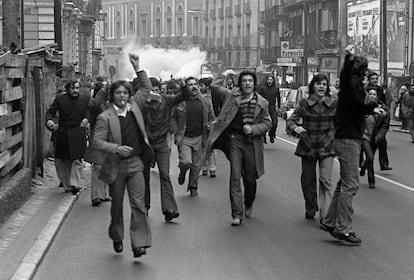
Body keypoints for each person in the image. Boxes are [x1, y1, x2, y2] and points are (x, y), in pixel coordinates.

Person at [320, 46, 385, 245]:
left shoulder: (355, 89)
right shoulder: (351, 85)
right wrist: (349, 59)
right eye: (364, 71)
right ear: (360, 72)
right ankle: (343, 229)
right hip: (348, 139)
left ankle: (330, 221)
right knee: (352, 184)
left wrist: (373, 108)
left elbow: (358, 106)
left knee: (343, 184)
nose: (366, 76)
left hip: (348, 137)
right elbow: (347, 76)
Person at [93, 80, 153, 258]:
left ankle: (139, 243)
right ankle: (117, 235)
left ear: (129, 95)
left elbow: (146, 87)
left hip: (135, 164)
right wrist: (116, 149)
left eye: (125, 93)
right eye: (118, 93)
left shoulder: (135, 107)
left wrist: (137, 67)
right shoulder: (105, 117)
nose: (122, 96)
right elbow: (97, 142)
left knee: (139, 205)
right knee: (117, 206)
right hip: (115, 166)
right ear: (112, 96)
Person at [129, 54, 192, 220]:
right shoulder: (141, 103)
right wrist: (138, 67)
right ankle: (145, 207)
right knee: (144, 176)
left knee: (164, 174)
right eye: (152, 91)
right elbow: (143, 87)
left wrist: (183, 86)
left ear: (161, 91)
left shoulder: (168, 100)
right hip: (145, 145)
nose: (155, 94)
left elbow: (184, 96)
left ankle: (169, 209)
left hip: (162, 144)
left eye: (158, 91)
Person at [207, 70, 271, 226]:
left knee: (250, 179)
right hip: (235, 140)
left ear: (254, 84)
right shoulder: (232, 96)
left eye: (250, 81)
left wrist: (254, 129)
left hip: (252, 143)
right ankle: (236, 213)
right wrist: (224, 73)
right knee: (235, 176)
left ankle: (248, 203)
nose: (247, 83)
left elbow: (268, 123)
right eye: (244, 81)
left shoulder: (262, 102)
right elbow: (214, 86)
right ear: (240, 83)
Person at [287, 74, 336, 222]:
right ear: (312, 86)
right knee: (308, 180)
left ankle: (326, 215)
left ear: (327, 87)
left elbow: (341, 122)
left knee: (325, 180)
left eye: (324, 84)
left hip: (327, 145)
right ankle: (311, 206)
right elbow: (291, 120)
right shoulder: (304, 103)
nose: (321, 87)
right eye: (318, 84)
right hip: (308, 145)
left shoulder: (334, 103)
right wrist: (296, 128)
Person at [171, 77, 214, 196]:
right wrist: (175, 131)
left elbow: (211, 117)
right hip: (184, 137)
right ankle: (183, 172)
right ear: (186, 87)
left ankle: (193, 186)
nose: (194, 87)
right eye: (190, 85)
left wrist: (210, 125)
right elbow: (172, 117)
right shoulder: (180, 101)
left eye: (196, 84)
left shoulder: (205, 101)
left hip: (200, 137)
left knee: (197, 165)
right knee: (186, 162)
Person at [45, 80, 90, 195]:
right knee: (64, 160)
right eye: (73, 88)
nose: (75, 91)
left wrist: (87, 119)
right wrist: (49, 121)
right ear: (67, 89)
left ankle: (75, 184)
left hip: (78, 132)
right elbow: (50, 112)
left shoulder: (85, 99)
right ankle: (67, 184)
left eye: (77, 88)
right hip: (63, 132)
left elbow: (91, 111)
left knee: (77, 159)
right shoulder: (60, 99)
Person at [84, 83, 111, 206]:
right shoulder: (96, 103)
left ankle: (104, 193)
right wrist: (103, 90)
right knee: (98, 166)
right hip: (98, 137)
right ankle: (96, 195)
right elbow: (95, 105)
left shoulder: (111, 105)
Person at [359, 87, 390, 189]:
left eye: (374, 94)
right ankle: (371, 181)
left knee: (369, 157)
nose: (372, 96)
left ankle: (364, 165)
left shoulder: (383, 110)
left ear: (377, 97)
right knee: (370, 157)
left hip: (374, 138)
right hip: (364, 137)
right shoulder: (362, 107)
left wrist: (378, 138)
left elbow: (384, 127)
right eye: (370, 94)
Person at [367, 72, 392, 171]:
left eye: (376, 78)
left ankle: (384, 164)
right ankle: (362, 163)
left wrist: (384, 111)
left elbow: (383, 102)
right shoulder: (366, 88)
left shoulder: (380, 89)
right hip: (368, 117)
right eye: (373, 78)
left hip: (379, 117)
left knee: (382, 142)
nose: (375, 80)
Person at [199, 77, 217, 178]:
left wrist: (213, 123)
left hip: (210, 124)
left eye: (201, 85)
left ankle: (213, 168)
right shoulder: (198, 97)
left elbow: (213, 113)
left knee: (211, 147)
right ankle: (204, 168)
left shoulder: (213, 97)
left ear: (207, 86)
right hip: (200, 125)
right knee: (201, 147)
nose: (199, 88)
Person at [259, 75, 281, 143]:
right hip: (264, 108)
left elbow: (278, 98)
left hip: (272, 108)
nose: (269, 81)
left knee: (274, 123)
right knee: (264, 123)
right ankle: (263, 136)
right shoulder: (263, 88)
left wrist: (279, 107)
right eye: (268, 80)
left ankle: (271, 134)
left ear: (273, 81)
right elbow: (259, 98)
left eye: (271, 80)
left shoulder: (276, 89)